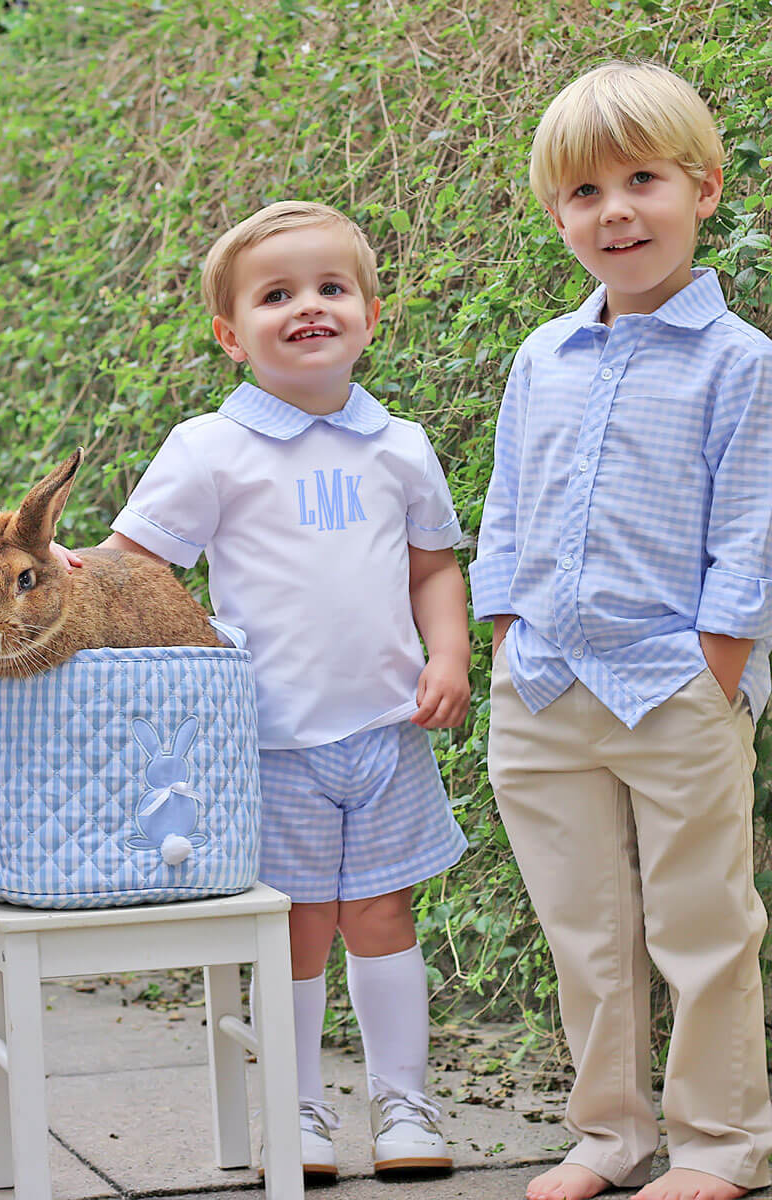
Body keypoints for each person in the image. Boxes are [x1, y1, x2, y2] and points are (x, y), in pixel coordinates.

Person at [102, 200, 470, 1179]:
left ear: (371, 314)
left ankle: (405, 1107)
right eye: (276, 295)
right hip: (269, 741)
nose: (308, 306)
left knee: (384, 917)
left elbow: (433, 566)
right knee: (297, 928)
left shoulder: (400, 445)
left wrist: (449, 656)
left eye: (330, 287)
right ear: (231, 335)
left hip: (386, 731)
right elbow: (134, 562)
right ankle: (297, 1113)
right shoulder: (209, 448)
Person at [470, 61, 772, 1200]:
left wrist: (719, 663)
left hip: (674, 686)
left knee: (705, 926)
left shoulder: (740, 363)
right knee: (583, 930)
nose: (616, 212)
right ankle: (609, 1132)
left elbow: (752, 526)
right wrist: (505, 628)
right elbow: (507, 500)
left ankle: (720, 1144)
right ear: (558, 215)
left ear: (704, 189)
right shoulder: (541, 356)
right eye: (585, 192)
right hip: (544, 685)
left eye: (643, 180)